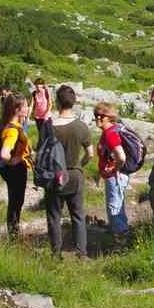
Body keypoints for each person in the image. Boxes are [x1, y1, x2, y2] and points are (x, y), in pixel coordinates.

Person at [45, 85, 92, 258]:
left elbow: (42, 153)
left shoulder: (49, 127)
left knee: (54, 216)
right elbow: (90, 154)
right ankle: (81, 253)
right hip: (75, 174)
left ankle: (56, 254)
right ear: (73, 102)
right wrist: (80, 165)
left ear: (57, 102)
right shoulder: (81, 126)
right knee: (78, 215)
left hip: (54, 175)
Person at [0, 94, 32, 241]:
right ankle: (13, 237)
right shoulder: (12, 130)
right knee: (15, 203)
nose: (27, 108)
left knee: (16, 202)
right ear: (17, 109)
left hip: (16, 170)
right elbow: (4, 153)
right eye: (24, 106)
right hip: (16, 171)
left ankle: (14, 233)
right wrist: (14, 160)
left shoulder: (15, 125)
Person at [94, 103, 129, 235]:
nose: (97, 118)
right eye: (96, 115)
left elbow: (121, 156)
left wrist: (114, 170)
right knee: (118, 205)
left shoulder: (110, 134)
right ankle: (122, 231)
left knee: (114, 207)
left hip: (115, 177)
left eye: (101, 115)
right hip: (114, 176)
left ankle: (119, 237)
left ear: (109, 117)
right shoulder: (109, 131)